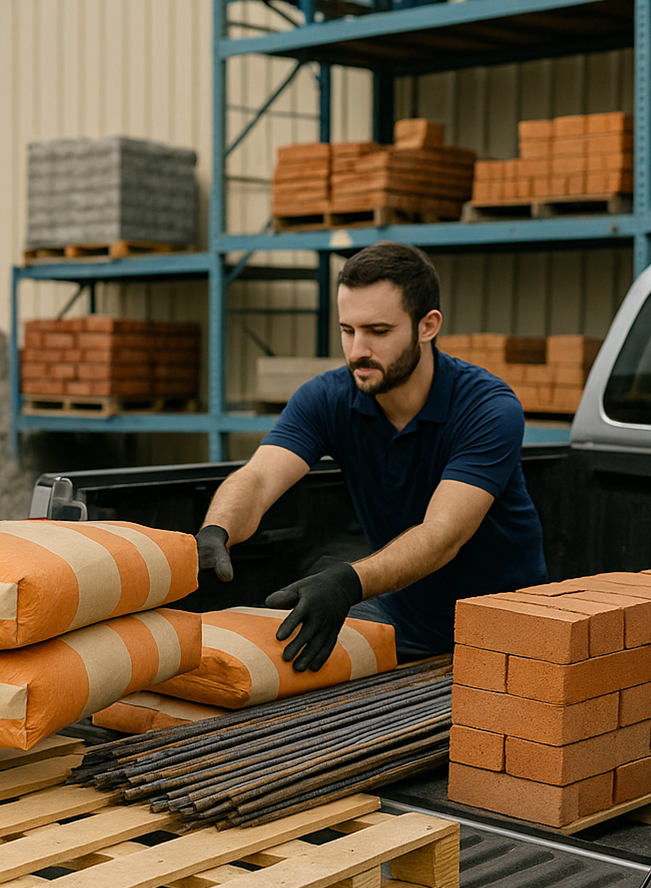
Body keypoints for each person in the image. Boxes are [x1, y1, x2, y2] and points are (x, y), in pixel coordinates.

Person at [197, 241, 547, 669]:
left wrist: (348, 581)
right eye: (348, 330)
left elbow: (443, 534)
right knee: (279, 662)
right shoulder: (326, 398)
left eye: (378, 331)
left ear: (427, 326)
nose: (357, 350)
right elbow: (258, 478)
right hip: (401, 611)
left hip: (503, 622)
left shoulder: (488, 408)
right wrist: (216, 529)